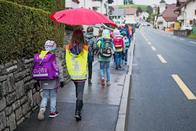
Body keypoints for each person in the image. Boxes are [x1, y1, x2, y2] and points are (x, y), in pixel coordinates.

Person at [33, 40, 64, 120]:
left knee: (45, 96)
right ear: (53, 47)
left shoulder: (41, 56)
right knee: (53, 96)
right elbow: (59, 69)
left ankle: (42, 109)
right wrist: (61, 80)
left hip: (43, 79)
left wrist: (37, 81)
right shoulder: (54, 57)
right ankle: (52, 112)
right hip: (52, 79)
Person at [64, 29, 88, 121]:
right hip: (81, 74)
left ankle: (79, 104)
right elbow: (89, 57)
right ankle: (77, 112)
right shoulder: (85, 46)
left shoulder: (68, 47)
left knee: (77, 90)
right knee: (80, 93)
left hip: (73, 74)